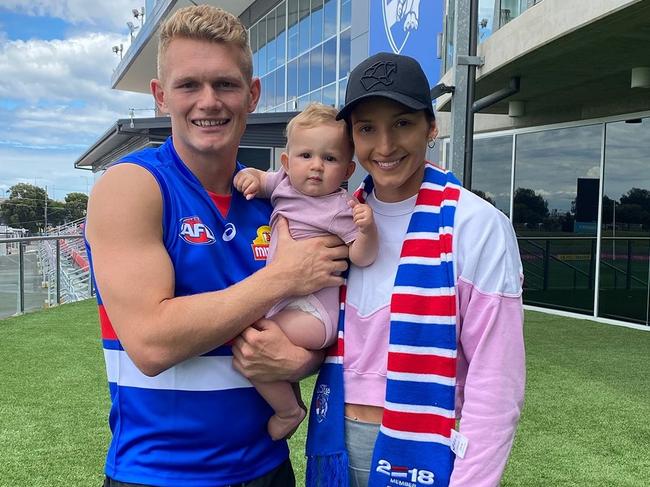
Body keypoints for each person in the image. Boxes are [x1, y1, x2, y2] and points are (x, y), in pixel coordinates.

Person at [84, 6, 349, 487]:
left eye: (225, 84)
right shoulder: (133, 187)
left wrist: (302, 361)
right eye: (189, 85)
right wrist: (282, 277)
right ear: (161, 97)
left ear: (252, 95)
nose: (209, 101)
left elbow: (320, 321)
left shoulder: (277, 201)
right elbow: (150, 342)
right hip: (159, 474)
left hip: (268, 467)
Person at [235, 52, 525, 487]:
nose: (385, 146)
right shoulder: (338, 218)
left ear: (432, 127)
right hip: (335, 438)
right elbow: (338, 340)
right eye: (367, 128)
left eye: (403, 123)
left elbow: (496, 378)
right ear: (352, 138)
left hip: (429, 443)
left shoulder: (477, 225)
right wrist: (295, 360)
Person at [234, 103, 379, 441]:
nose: (316, 166)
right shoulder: (284, 184)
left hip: (313, 311)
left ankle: (288, 411)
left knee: (250, 342)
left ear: (347, 170)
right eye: (305, 156)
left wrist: (367, 231)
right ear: (286, 162)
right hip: (288, 302)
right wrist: (250, 177)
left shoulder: (341, 207)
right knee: (255, 341)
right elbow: (264, 180)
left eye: (329, 159)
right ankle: (291, 398)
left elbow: (363, 256)